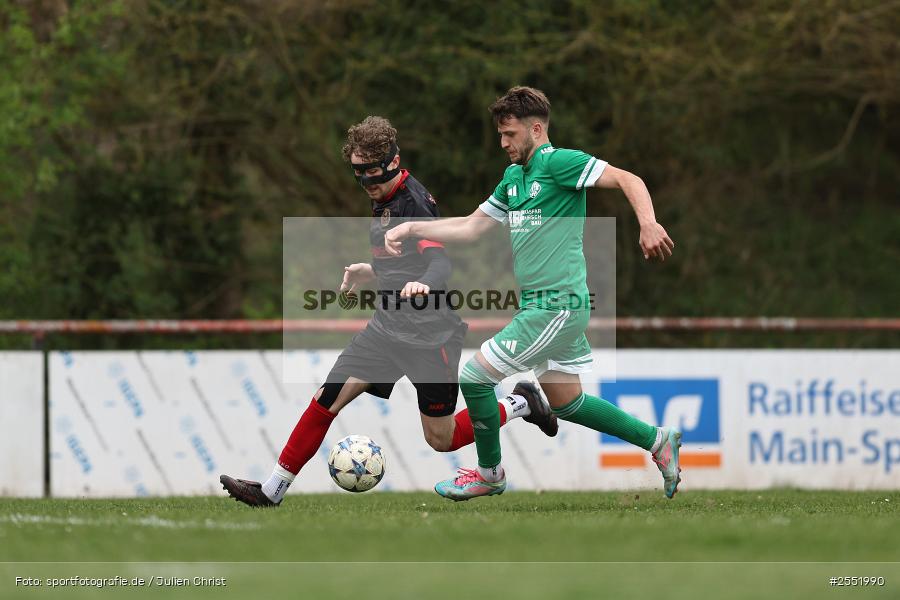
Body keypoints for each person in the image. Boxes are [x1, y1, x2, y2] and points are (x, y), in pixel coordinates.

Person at [220, 116, 557, 507]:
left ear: (392, 163)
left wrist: (425, 284)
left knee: (441, 439)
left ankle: (521, 403)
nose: (366, 183)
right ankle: (271, 490)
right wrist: (372, 270)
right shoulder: (382, 199)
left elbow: (439, 264)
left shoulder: (412, 204)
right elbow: (403, 262)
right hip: (384, 331)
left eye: (371, 173)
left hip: (429, 337)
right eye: (358, 173)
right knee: (326, 399)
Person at [385, 87, 681, 501]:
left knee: (475, 376)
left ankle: (489, 473)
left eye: (509, 134)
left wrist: (648, 223)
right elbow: (471, 228)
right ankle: (658, 440)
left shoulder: (559, 162)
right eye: (500, 135)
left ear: (536, 128)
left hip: (557, 305)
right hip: (543, 307)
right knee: (567, 403)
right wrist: (413, 227)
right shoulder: (514, 179)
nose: (503, 143)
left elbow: (629, 179)